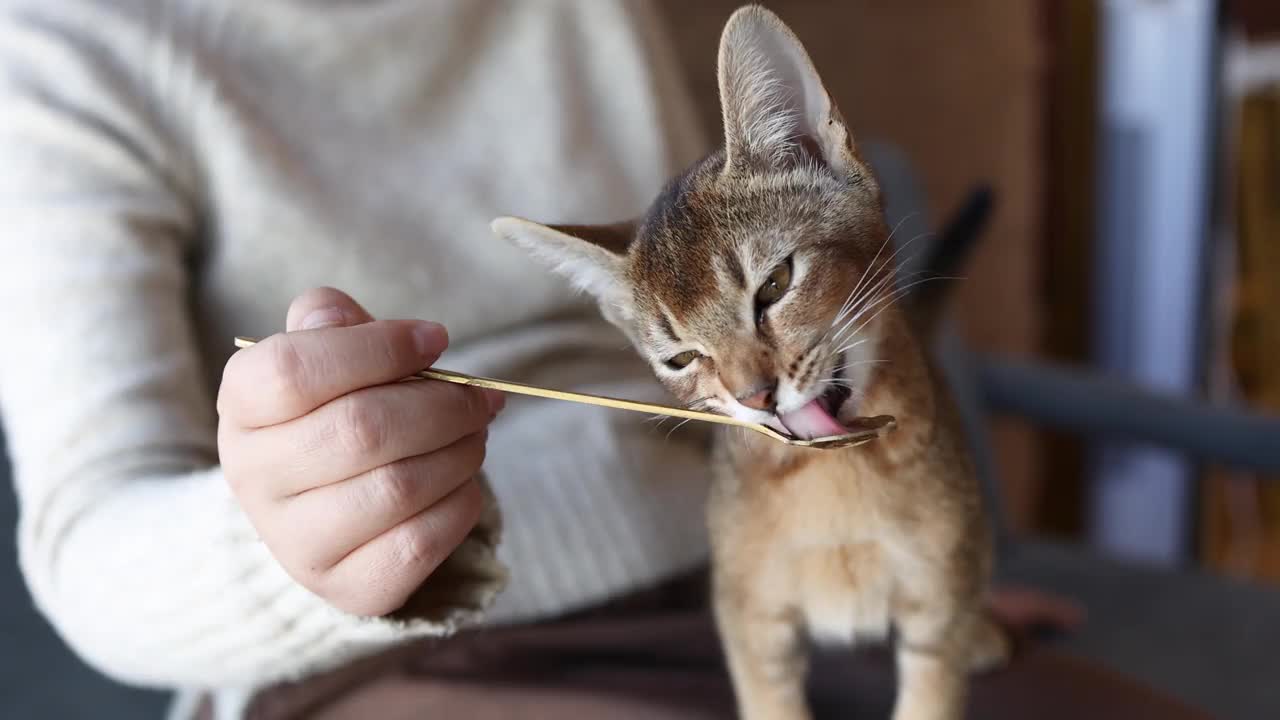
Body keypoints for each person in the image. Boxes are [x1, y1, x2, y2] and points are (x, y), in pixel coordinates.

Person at [0, 2, 1206, 719]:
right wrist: (289, 544)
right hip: (388, 654)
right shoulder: (62, 51)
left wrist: (890, 565)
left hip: (738, 573)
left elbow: (707, 275)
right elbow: (86, 544)